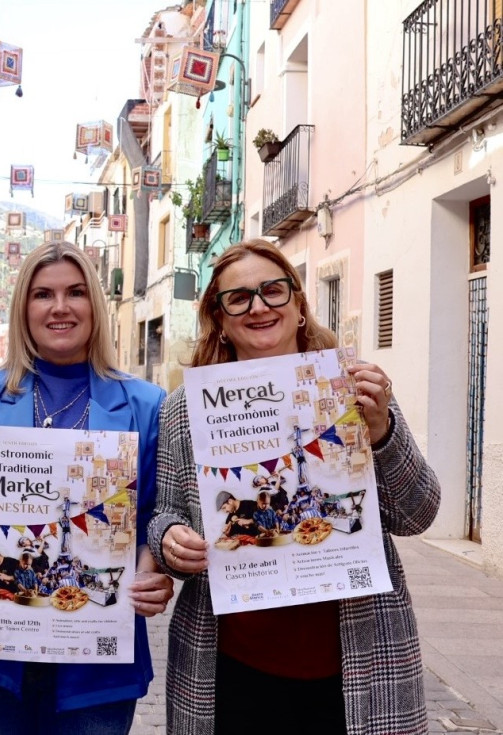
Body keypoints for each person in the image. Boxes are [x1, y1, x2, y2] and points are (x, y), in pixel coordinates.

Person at [148, 239, 441, 735]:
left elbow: (418, 515)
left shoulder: (352, 389)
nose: (259, 306)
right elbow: (166, 513)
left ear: (299, 304)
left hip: (356, 666)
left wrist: (381, 433)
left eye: (272, 291)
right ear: (219, 317)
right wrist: (170, 540)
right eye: (238, 298)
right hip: (229, 666)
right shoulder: (184, 409)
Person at [0, 241, 174, 735]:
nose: (60, 307)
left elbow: (157, 517)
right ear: (24, 307)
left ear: (95, 307)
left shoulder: (147, 405)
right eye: (43, 294)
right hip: (1, 646)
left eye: (75, 292)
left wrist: (154, 571)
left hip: (100, 656)